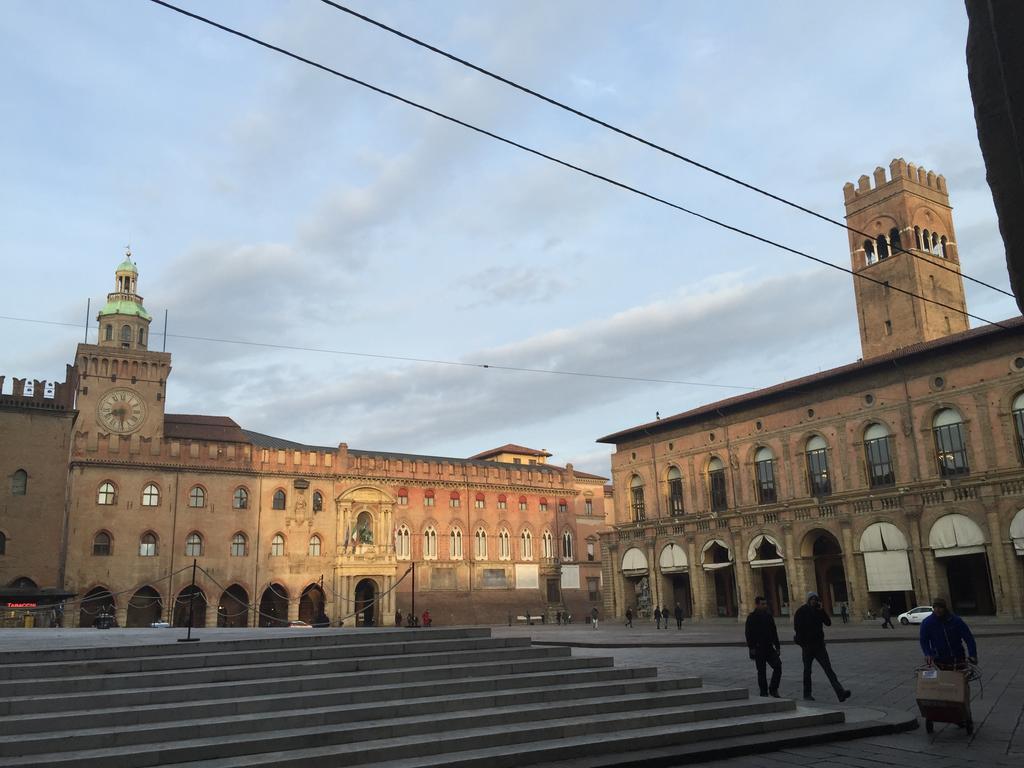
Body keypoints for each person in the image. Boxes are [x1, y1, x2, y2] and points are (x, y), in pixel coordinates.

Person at [793, 591, 851, 702]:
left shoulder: (818, 610)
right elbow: (797, 628)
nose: (814, 601)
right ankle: (807, 694)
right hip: (807, 647)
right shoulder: (801, 611)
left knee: (828, 669)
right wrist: (803, 643)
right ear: (808, 600)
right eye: (812, 599)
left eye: (816, 599)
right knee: (807, 671)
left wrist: (822, 610)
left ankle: (840, 693)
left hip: (819, 646)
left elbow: (828, 623)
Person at [920, 598, 977, 668]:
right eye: (935, 607)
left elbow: (968, 638)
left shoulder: (956, 621)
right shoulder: (927, 622)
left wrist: (972, 655)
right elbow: (924, 640)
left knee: (958, 678)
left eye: (940, 607)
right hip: (938, 660)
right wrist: (927, 653)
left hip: (958, 658)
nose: (937, 610)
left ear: (945, 608)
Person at [745, 596, 782, 698]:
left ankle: (773, 688)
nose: (765, 606)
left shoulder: (768, 616)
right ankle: (764, 692)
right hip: (758, 648)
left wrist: (777, 646)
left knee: (778, 666)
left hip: (769, 648)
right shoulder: (751, 617)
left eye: (765, 604)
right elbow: (748, 634)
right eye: (762, 604)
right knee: (761, 672)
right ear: (757, 605)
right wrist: (751, 648)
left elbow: (774, 632)